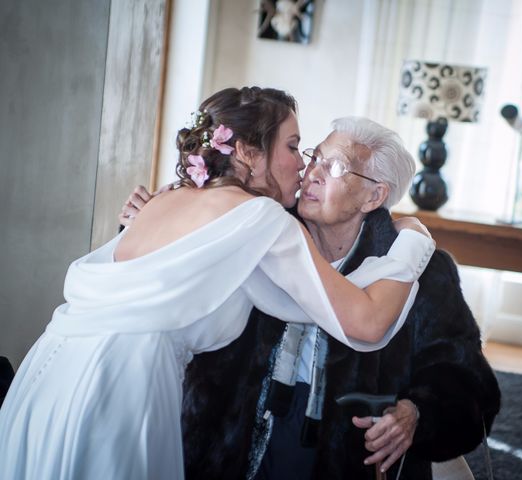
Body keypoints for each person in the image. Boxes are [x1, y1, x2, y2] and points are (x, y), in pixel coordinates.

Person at [0, 88, 435, 480]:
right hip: (123, 388)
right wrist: (413, 241)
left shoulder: (168, 198)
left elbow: (304, 302)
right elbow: (365, 321)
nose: (303, 168)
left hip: (47, 375)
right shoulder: (259, 218)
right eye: (294, 147)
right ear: (246, 151)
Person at [121, 116, 501, 479]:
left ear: (374, 196)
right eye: (314, 157)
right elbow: (175, 273)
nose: (312, 173)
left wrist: (417, 412)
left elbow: (467, 380)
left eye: (334, 168)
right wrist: (147, 222)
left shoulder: (425, 272)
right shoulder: (260, 230)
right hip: (235, 438)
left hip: (347, 449)